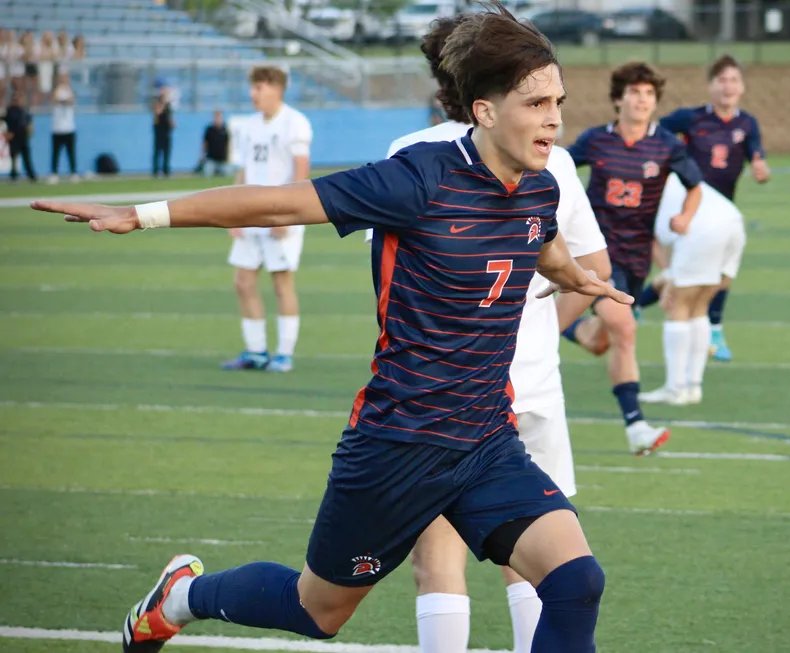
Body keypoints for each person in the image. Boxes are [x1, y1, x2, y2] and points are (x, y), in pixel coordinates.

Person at [31, 5, 623, 653]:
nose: (555, 118)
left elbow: (541, 241)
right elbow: (278, 200)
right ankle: (181, 595)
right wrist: (139, 215)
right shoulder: (416, 179)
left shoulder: (541, 185)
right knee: (318, 610)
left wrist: (575, 278)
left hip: (485, 439)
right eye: (536, 102)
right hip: (397, 445)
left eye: (558, 100)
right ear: (483, 110)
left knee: (576, 579)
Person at [379, 16, 619, 653]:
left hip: (443, 396)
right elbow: (593, 272)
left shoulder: (410, 151)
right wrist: (547, 331)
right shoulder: (553, 158)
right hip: (533, 382)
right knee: (536, 563)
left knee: (438, 560)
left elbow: (389, 279)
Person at [563, 61, 701, 454]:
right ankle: (636, 425)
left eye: (649, 94)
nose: (642, 100)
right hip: (595, 252)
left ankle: (555, 324)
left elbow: (695, 187)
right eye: (635, 93)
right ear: (618, 99)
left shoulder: (666, 145)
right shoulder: (595, 140)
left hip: (636, 256)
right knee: (625, 328)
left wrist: (685, 216)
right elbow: (558, 170)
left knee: (599, 341)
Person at [638, 54, 769, 362]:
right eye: (721, 80)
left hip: (723, 215)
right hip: (692, 209)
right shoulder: (691, 117)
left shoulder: (747, 123)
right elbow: (655, 133)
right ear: (711, 86)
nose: (728, 86)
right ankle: (714, 329)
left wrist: (762, 168)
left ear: (742, 86)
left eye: (733, 80)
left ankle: (639, 303)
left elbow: (757, 157)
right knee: (690, 277)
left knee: (710, 274)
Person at [221, 66, 312, 373]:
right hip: (250, 213)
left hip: (279, 213)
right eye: (253, 87)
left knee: (281, 282)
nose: (253, 94)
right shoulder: (248, 126)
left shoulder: (295, 123)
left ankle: (284, 354)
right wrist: (232, 212)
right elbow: (243, 170)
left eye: (259, 87)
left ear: (276, 89)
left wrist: (288, 214)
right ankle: (255, 351)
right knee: (243, 281)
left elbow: (301, 169)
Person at [637, 175, 746, 405]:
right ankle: (693, 387)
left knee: (678, 306)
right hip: (732, 220)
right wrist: (670, 275)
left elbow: (650, 238)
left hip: (701, 227)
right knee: (699, 307)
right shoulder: (670, 173)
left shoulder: (643, 184)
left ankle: (675, 389)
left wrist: (668, 276)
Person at [48, 71, 78, 183]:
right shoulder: (57, 91)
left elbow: (71, 100)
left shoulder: (69, 90)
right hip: (57, 129)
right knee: (55, 153)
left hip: (69, 128)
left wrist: (64, 99)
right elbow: (54, 99)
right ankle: (54, 173)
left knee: (71, 153)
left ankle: (73, 172)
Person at [6, 90, 36, 182]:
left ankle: (31, 175)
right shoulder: (11, 110)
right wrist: (8, 133)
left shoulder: (24, 110)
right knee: (14, 157)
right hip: (14, 136)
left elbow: (29, 122)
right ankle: (14, 175)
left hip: (23, 136)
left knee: (26, 156)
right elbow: (7, 122)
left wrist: (30, 131)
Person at [197, 109, 229, 177]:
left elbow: (228, 144)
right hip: (211, 160)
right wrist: (202, 156)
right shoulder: (209, 129)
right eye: (216, 117)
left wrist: (228, 158)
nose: (217, 119)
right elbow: (205, 143)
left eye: (219, 117)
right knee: (207, 174)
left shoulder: (225, 129)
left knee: (228, 175)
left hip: (222, 161)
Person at [151, 86, 174, 177]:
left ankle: (166, 170)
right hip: (159, 133)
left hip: (167, 132)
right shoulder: (158, 104)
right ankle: (156, 171)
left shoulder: (169, 107)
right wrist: (163, 104)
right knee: (157, 152)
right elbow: (157, 115)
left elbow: (170, 120)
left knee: (167, 153)